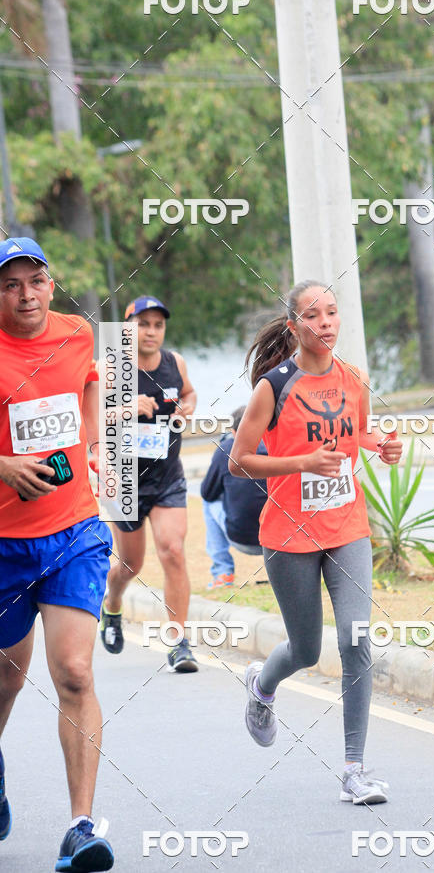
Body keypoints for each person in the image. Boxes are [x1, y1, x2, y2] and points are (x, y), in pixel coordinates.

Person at [229, 280, 403, 805]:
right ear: (294, 327)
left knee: (355, 641)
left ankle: (355, 770)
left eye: (332, 313)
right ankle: (262, 686)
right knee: (306, 648)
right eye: (313, 315)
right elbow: (239, 461)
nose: (325, 323)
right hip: (288, 534)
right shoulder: (273, 387)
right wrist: (302, 462)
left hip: (347, 527)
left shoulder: (355, 378)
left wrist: (383, 446)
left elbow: (358, 433)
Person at [0, 237, 114, 870]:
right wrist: (4, 466)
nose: (25, 295)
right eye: (10, 284)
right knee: (5, 678)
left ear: (50, 283)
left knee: (73, 672)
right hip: (3, 544)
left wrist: (91, 440)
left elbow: (89, 384)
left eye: (34, 281)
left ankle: (81, 826)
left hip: (73, 530)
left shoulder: (76, 335)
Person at [100, 296, 199, 672]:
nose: (151, 332)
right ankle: (112, 607)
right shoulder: (111, 367)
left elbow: (188, 392)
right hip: (123, 478)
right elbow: (88, 417)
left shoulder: (176, 363)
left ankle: (178, 643)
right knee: (129, 564)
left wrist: (189, 406)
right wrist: (125, 409)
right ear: (128, 328)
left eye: (158, 325)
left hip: (167, 476)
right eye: (143, 324)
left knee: (172, 551)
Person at [200, 406, 267, 589]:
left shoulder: (227, 448)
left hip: (242, 538)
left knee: (208, 502)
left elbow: (207, 492)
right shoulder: (278, 444)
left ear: (233, 431)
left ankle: (222, 573)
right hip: (281, 540)